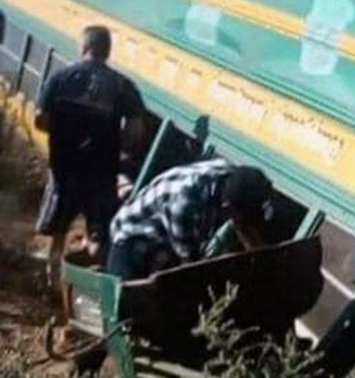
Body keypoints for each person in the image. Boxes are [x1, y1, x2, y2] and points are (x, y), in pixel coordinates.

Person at [35, 24, 145, 285]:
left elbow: (40, 119)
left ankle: (52, 284)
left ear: (84, 46)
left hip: (65, 170)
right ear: (107, 51)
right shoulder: (122, 85)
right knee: (98, 237)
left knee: (58, 232)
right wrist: (119, 149)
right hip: (102, 174)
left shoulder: (60, 78)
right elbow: (136, 131)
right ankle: (92, 289)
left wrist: (63, 134)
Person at [106, 159, 274, 280]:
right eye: (239, 216)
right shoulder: (185, 205)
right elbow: (190, 269)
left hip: (171, 235)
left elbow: (245, 229)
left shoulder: (234, 177)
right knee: (126, 304)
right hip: (134, 236)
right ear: (226, 208)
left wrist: (264, 267)